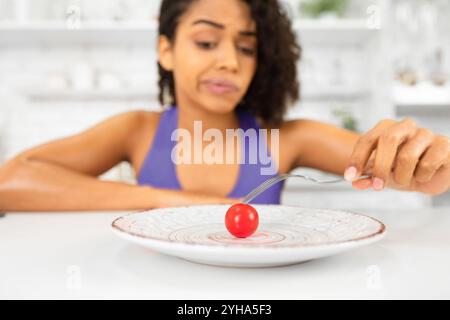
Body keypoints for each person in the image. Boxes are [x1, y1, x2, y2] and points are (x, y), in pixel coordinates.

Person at [0, 0, 448, 212]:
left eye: (247, 48)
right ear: (166, 50)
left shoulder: (291, 139)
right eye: (206, 41)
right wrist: (171, 201)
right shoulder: (135, 131)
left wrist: (429, 164)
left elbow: (413, 167)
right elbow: (11, 179)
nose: (229, 61)